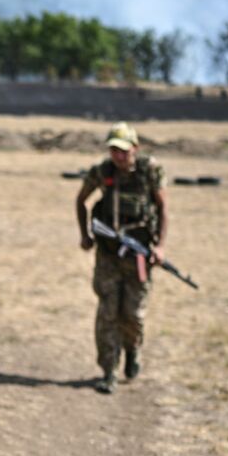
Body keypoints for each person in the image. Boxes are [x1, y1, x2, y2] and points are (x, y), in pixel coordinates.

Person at [75, 121, 168, 394]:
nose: (118, 156)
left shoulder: (149, 171)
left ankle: (132, 351)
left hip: (138, 256)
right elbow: (80, 200)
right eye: (114, 150)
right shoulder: (102, 172)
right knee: (108, 312)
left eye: (124, 150)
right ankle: (108, 371)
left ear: (135, 149)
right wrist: (85, 235)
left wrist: (160, 247)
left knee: (133, 314)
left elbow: (163, 209)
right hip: (108, 255)